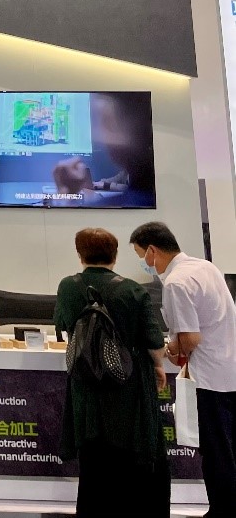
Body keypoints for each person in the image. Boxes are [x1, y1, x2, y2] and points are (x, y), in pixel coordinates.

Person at [54, 228, 169, 517]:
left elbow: (64, 326)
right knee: (131, 461)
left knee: (93, 465)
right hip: (127, 387)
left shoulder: (68, 287)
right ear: (115, 255)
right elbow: (154, 343)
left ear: (80, 254)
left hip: (86, 387)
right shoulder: (133, 290)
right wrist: (158, 365)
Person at [132, 221, 236, 516]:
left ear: (152, 251)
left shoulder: (176, 282)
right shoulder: (205, 267)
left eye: (141, 255)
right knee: (229, 450)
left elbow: (190, 339)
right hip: (230, 370)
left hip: (210, 379)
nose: (144, 263)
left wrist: (169, 349)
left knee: (216, 453)